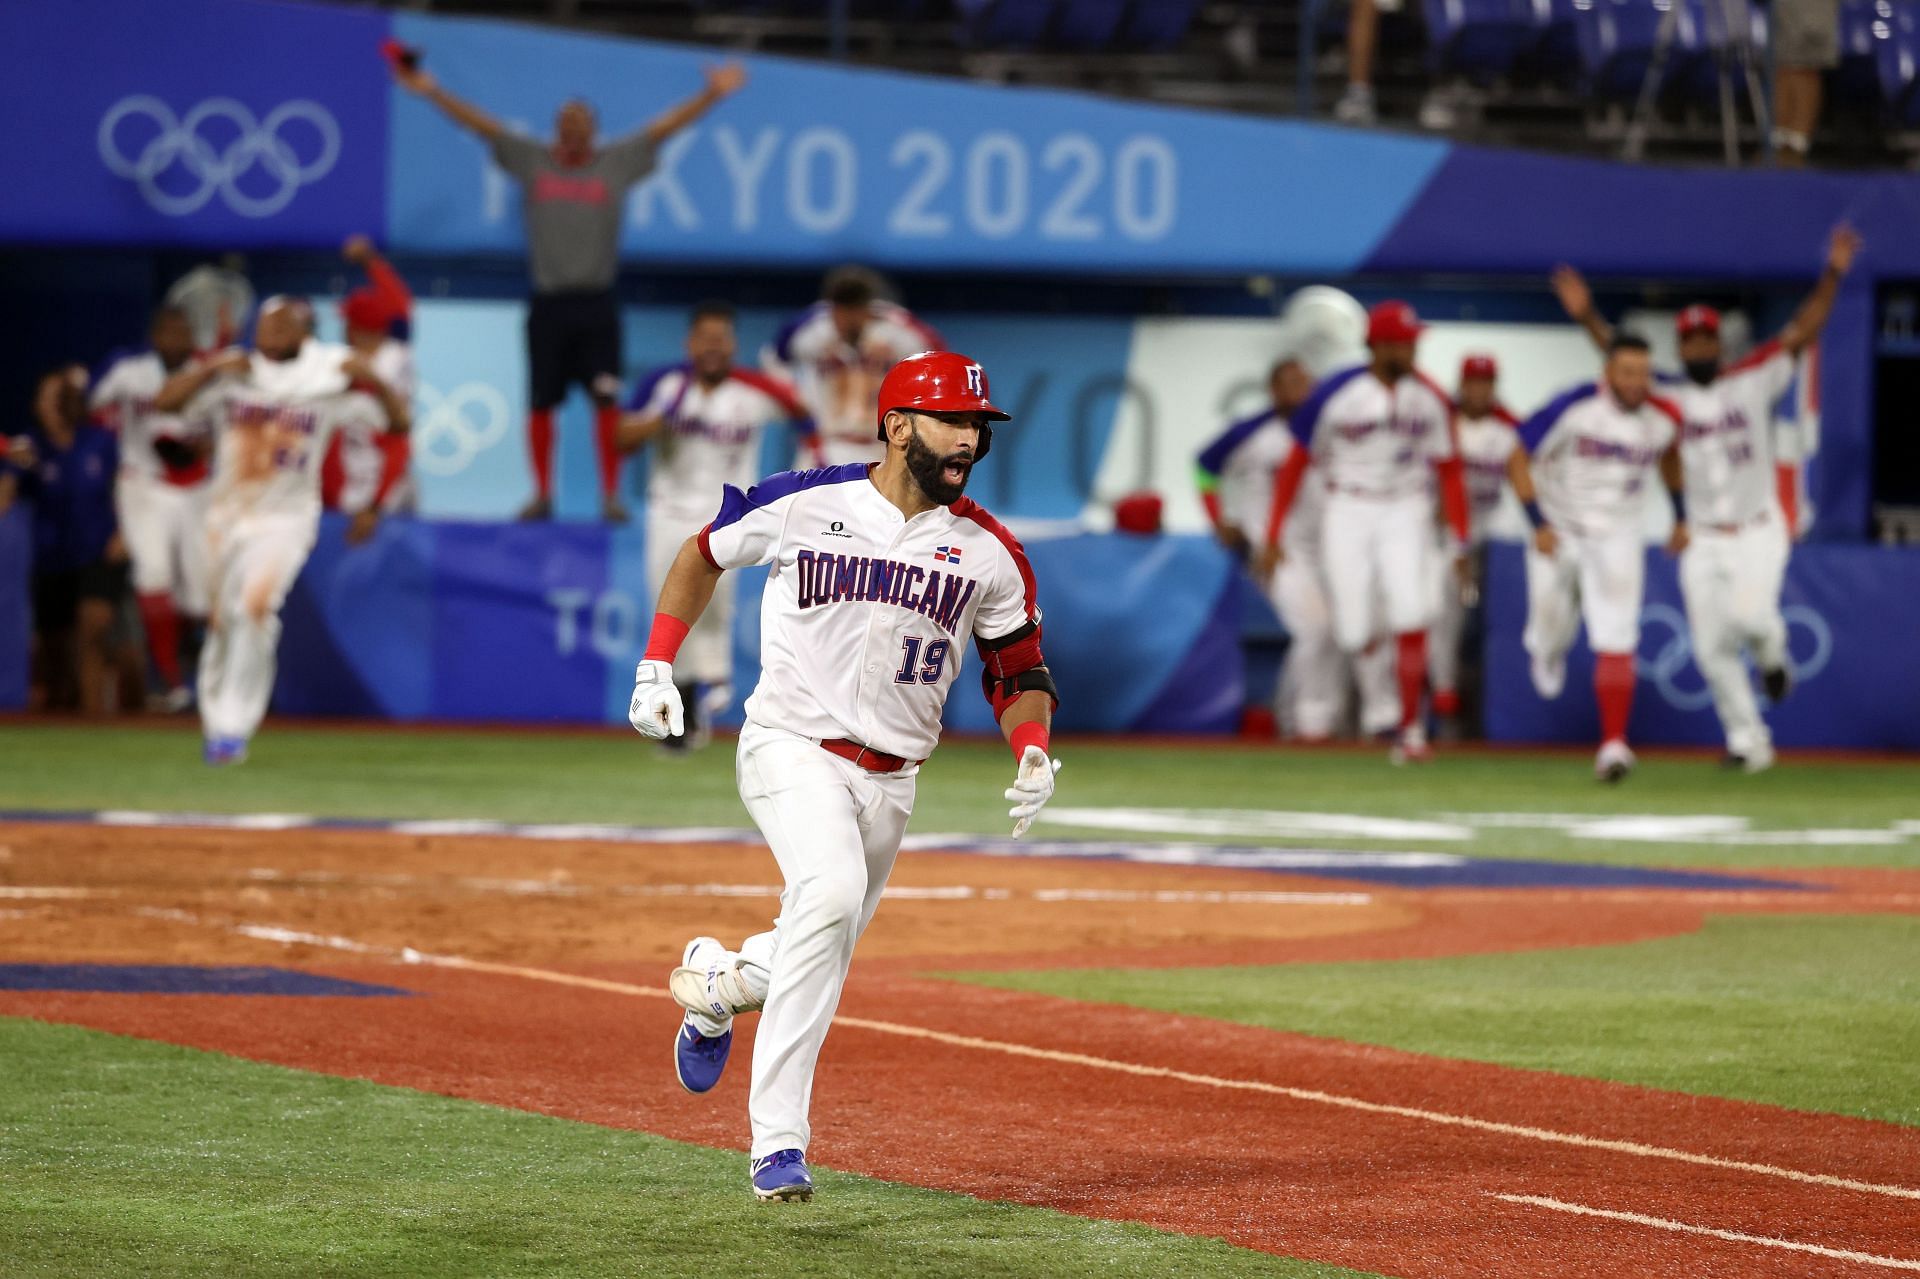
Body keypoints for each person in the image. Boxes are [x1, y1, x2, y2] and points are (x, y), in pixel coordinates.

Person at [630, 351, 1059, 1203]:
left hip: (893, 783)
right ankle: (777, 1142)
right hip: (789, 744)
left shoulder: (990, 551)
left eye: (977, 424)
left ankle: (719, 984)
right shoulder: (804, 500)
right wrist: (654, 666)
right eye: (951, 420)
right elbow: (701, 552)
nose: (969, 438)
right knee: (827, 897)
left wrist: (1033, 746)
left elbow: (1017, 670)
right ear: (898, 425)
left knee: (815, 945)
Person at [1551, 225, 1860, 771]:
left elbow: (1803, 330)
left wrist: (1832, 274)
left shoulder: (1751, 377)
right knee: (1711, 648)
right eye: (1689, 340)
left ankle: (1773, 658)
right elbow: (1618, 360)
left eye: (1706, 339)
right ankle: (1750, 744)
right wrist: (1586, 318)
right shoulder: (1665, 394)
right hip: (1701, 537)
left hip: (1757, 526)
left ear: (1719, 344)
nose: (1698, 346)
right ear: (1680, 346)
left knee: (1751, 617)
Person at [391, 57, 747, 522]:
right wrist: (432, 91)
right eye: (565, 121)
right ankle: (541, 494)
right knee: (541, 402)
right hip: (549, 301)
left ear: (594, 130)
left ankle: (611, 496)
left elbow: (662, 130)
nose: (573, 129)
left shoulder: (615, 163)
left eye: (581, 122)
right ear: (556, 128)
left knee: (606, 401)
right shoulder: (533, 160)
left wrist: (711, 94)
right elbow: (484, 127)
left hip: (597, 301)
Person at [155, 297, 407, 764]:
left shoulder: (326, 381)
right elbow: (165, 402)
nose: (273, 332)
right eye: (268, 324)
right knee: (222, 620)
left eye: (285, 324)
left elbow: (399, 422)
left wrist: (374, 379)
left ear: (304, 333)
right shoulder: (237, 376)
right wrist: (209, 368)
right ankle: (217, 722)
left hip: (286, 519)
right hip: (225, 517)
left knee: (255, 609)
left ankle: (234, 728)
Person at [1258, 301, 1470, 763]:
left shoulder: (1430, 396)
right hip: (1347, 505)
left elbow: (1450, 470)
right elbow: (1295, 465)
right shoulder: (1335, 391)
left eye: (1415, 342)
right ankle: (1386, 684)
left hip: (1406, 506)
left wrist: (1460, 539)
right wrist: (1273, 535)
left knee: (1412, 613)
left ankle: (1410, 730)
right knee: (1352, 631)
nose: (1413, 350)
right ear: (1379, 345)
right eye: (1405, 343)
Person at [619, 301, 822, 751]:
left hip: (726, 513)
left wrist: (807, 470)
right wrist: (658, 418)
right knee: (669, 603)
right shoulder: (665, 384)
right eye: (705, 338)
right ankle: (683, 693)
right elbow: (620, 438)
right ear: (690, 343)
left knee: (714, 605)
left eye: (722, 338)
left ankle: (704, 691)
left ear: (732, 344)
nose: (713, 347)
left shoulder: (752, 389)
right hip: (668, 510)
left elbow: (806, 417)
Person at [1508, 335, 1688, 782]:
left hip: (1618, 534)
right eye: (1627, 372)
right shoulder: (1575, 405)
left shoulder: (1663, 417)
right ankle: (1547, 651)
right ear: (1607, 372)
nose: (1636, 382)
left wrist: (1681, 516)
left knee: (1617, 637)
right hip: (1561, 528)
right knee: (1549, 631)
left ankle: (1612, 745)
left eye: (1643, 372)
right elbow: (1516, 454)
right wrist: (1536, 522)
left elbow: (1671, 457)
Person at [1196, 357, 1394, 740]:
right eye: (1291, 382)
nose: (1302, 390)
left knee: (1339, 629)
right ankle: (1310, 724)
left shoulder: (1329, 429)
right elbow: (1203, 467)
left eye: (1307, 382)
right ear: (1273, 390)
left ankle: (1295, 716)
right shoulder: (1251, 431)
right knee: (1316, 627)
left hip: (1327, 546)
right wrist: (1218, 518)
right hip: (1275, 549)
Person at [89, 305, 210, 710]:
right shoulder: (130, 372)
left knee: (197, 598)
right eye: (167, 331)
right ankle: (172, 683)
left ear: (193, 336)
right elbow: (92, 409)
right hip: (143, 482)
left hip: (196, 487)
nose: (175, 339)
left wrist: (204, 448)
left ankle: (192, 668)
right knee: (153, 577)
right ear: (154, 336)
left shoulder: (210, 372)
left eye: (183, 331)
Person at [14, 366, 127, 714]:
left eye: (62, 396)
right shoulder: (29, 448)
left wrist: (125, 531)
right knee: (55, 650)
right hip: (52, 559)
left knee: (93, 630)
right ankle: (64, 713)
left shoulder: (100, 441)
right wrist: (11, 465)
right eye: (47, 397)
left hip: (99, 553)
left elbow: (127, 487)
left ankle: (96, 719)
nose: (56, 404)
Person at [764, 266, 946, 467]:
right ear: (832, 308)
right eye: (842, 308)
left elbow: (940, 362)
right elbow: (773, 358)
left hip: (881, 446)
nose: (848, 317)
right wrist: (799, 405)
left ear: (868, 307)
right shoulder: (812, 329)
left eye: (855, 307)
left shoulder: (897, 330)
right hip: (825, 444)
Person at [1428, 353, 1521, 733]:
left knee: (1490, 622)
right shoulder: (1444, 422)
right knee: (1441, 612)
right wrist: (1453, 539)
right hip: (1443, 534)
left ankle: (1474, 705)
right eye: (1473, 382)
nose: (1480, 389)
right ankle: (1444, 697)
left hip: (1490, 534)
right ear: (1461, 384)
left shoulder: (1509, 428)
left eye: (1487, 382)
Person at [324, 235, 417, 544]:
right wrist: (370, 262)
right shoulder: (396, 352)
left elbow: (395, 445)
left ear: (356, 328)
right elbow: (402, 307)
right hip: (384, 489)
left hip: (372, 497)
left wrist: (373, 507)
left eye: (347, 320)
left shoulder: (367, 371)